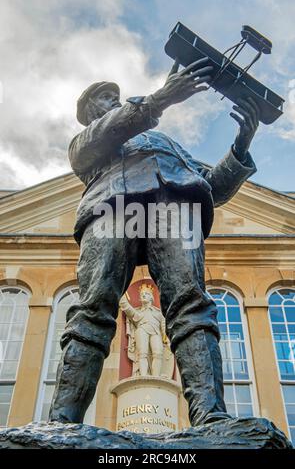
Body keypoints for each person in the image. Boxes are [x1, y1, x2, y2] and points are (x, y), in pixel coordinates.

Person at [49, 57, 259, 426]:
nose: (113, 100)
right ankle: (62, 420)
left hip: (174, 205)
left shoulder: (162, 141)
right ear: (87, 113)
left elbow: (213, 185)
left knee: (191, 303)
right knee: (93, 307)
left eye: (115, 95)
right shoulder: (90, 140)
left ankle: (211, 415)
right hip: (111, 206)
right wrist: (160, 98)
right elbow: (109, 131)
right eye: (103, 97)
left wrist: (241, 147)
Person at [120, 284, 166, 377]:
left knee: (158, 353)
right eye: (142, 294)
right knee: (142, 353)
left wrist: (165, 337)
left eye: (146, 294)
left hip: (156, 332)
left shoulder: (159, 313)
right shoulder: (138, 313)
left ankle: (156, 376)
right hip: (142, 330)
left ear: (151, 298)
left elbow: (164, 326)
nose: (144, 295)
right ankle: (143, 376)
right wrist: (121, 294)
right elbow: (126, 307)